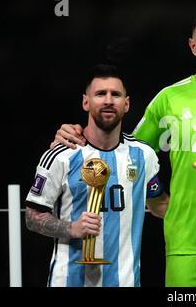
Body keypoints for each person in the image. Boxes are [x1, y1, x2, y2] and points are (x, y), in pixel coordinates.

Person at [50, 10, 196, 287]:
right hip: (184, 246)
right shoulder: (169, 100)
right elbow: (127, 154)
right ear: (192, 46)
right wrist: (76, 136)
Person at [26, 64, 169, 287]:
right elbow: (32, 216)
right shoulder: (61, 155)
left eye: (116, 94)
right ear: (86, 102)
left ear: (127, 104)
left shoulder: (144, 156)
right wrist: (72, 228)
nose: (109, 100)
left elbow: (160, 204)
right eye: (101, 94)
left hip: (126, 281)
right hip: (69, 281)